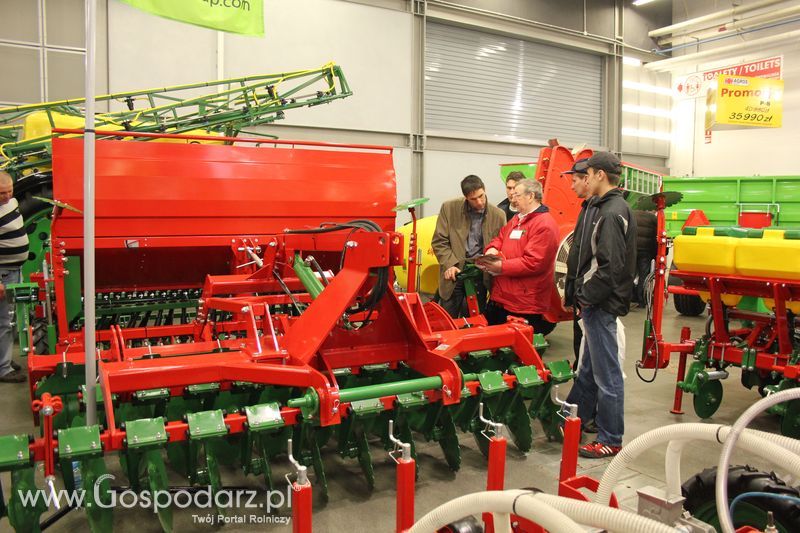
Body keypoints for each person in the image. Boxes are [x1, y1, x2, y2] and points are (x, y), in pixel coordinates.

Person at [565, 152, 636, 459]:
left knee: (607, 378)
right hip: (596, 303)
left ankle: (611, 438)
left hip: (601, 304)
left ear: (599, 176)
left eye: (589, 174)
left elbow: (608, 267)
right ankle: (570, 421)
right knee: (589, 371)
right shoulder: (603, 207)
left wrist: (583, 294)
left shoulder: (610, 212)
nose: (585, 179)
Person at [478, 179, 559, 335]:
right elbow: (501, 237)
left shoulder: (544, 225)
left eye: (517, 195)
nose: (512, 199)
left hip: (524, 303)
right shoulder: (517, 219)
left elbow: (533, 262)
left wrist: (501, 267)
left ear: (531, 196)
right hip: (502, 298)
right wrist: (492, 249)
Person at [432, 175, 505, 318]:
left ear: (484, 190)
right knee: (447, 318)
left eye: (481, 196)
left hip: (480, 273)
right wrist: (450, 264)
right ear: (466, 197)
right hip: (455, 270)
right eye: (473, 199)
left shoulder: (498, 215)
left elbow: (502, 243)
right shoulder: (449, 208)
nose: (479, 202)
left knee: (475, 319)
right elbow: (439, 241)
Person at [563, 158, 591, 369]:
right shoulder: (586, 208)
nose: (571, 186)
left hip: (590, 296)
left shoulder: (604, 212)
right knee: (579, 343)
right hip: (581, 293)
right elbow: (577, 252)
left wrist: (585, 294)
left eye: (575, 180)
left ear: (588, 178)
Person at [0, 171, 28, 383]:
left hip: (15, 270)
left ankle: (5, 359)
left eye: (10, 191)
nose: (7, 196)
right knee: (3, 322)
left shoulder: (13, 201)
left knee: (11, 318)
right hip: (3, 274)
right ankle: (3, 369)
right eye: (2, 193)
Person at [633, 209, 657, 307]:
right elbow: (656, 236)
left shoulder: (632, 214)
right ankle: (641, 300)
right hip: (645, 250)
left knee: (629, 274)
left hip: (632, 249)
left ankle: (628, 298)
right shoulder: (653, 218)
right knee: (643, 275)